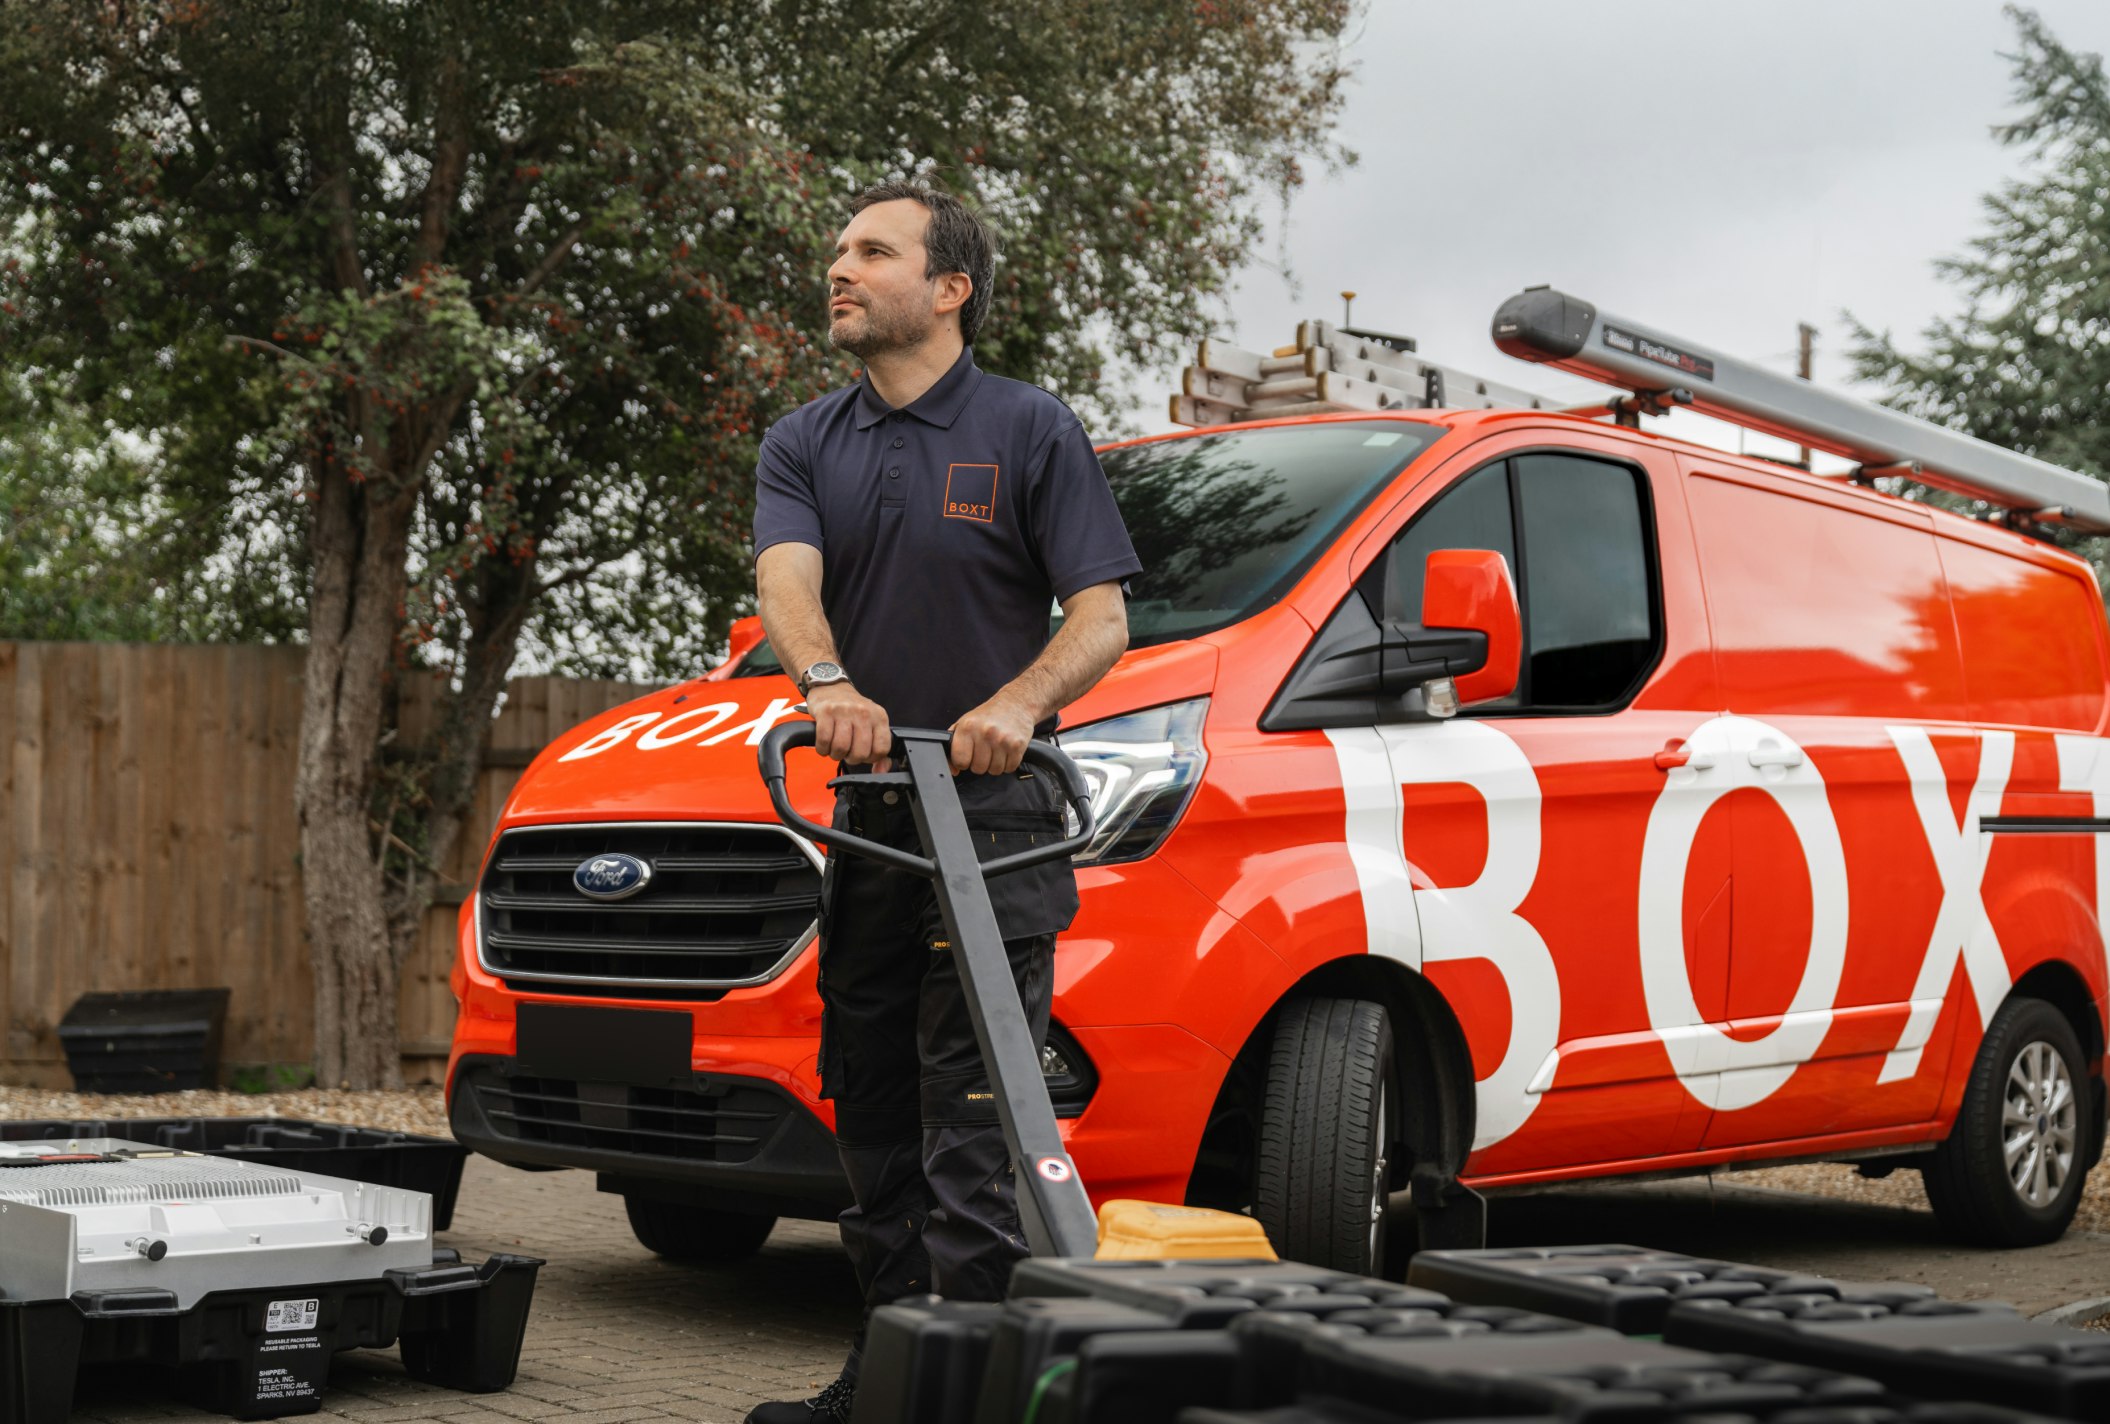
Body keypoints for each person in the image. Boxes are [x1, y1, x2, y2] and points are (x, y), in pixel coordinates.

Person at [745, 180, 1140, 1424]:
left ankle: (964, 1384)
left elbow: (1102, 615)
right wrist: (826, 680)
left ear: (949, 287)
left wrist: (1018, 703)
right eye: (836, 250)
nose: (838, 269)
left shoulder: (1028, 429)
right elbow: (787, 580)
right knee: (869, 1101)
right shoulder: (806, 439)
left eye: (872, 250)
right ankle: (893, 1367)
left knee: (969, 1112)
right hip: (869, 811)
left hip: (997, 811)